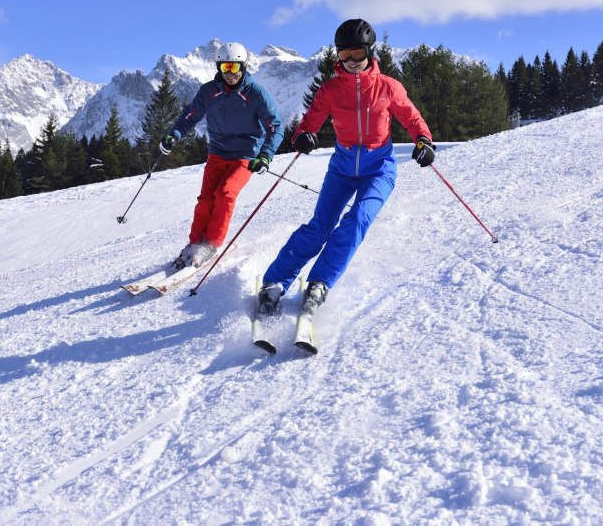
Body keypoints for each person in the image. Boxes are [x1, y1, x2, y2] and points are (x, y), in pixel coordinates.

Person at [258, 18, 435, 316]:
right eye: (344, 55)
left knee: (356, 221)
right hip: (341, 167)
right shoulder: (329, 90)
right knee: (319, 228)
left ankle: (320, 282)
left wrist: (423, 140)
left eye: (357, 54)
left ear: (370, 52)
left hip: (379, 167)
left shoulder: (388, 87)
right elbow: (309, 123)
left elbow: (412, 118)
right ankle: (275, 282)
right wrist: (303, 136)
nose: (351, 61)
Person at [160, 41, 283, 269]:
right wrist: (174, 135)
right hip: (217, 152)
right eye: (225, 68)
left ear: (244, 66)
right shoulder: (209, 91)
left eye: (234, 68)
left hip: (245, 156)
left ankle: (211, 244)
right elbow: (190, 116)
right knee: (206, 199)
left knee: (225, 194)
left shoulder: (256, 94)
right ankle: (194, 243)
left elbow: (276, 126)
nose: (230, 74)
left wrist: (265, 155)